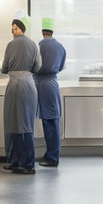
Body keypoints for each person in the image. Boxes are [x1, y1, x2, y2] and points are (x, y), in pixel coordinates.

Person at [1, 12, 42, 174]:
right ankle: (27, 163)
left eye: (15, 28)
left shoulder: (10, 45)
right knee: (26, 124)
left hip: (13, 85)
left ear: (21, 29)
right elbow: (37, 67)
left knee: (12, 123)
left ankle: (17, 161)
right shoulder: (33, 45)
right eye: (12, 28)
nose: (13, 31)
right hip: (28, 85)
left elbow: (4, 68)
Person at [33, 17, 66, 168]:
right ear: (52, 31)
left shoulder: (38, 46)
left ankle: (53, 157)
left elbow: (33, 65)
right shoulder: (59, 46)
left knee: (49, 122)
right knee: (52, 120)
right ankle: (51, 154)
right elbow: (61, 66)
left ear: (42, 31)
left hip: (40, 83)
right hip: (52, 83)